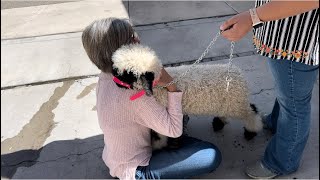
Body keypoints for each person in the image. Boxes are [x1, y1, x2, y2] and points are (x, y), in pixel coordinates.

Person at [81, 18, 221, 180]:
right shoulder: (134, 92)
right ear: (123, 51)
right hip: (137, 168)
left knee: (177, 117)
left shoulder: (105, 76)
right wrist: (171, 85)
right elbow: (174, 129)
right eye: (132, 38)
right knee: (210, 155)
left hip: (114, 156)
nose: (138, 39)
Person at [220, 0, 319, 179]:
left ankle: (282, 162)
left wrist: (252, 17)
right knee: (287, 88)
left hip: (298, 39)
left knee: (295, 105)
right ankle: (276, 121)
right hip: (283, 29)